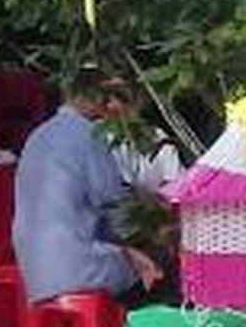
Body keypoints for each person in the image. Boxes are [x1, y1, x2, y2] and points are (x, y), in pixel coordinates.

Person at [13, 64, 164, 304]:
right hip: (75, 267)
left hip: (33, 268)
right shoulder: (89, 135)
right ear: (100, 101)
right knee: (162, 268)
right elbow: (115, 207)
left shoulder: (39, 134)